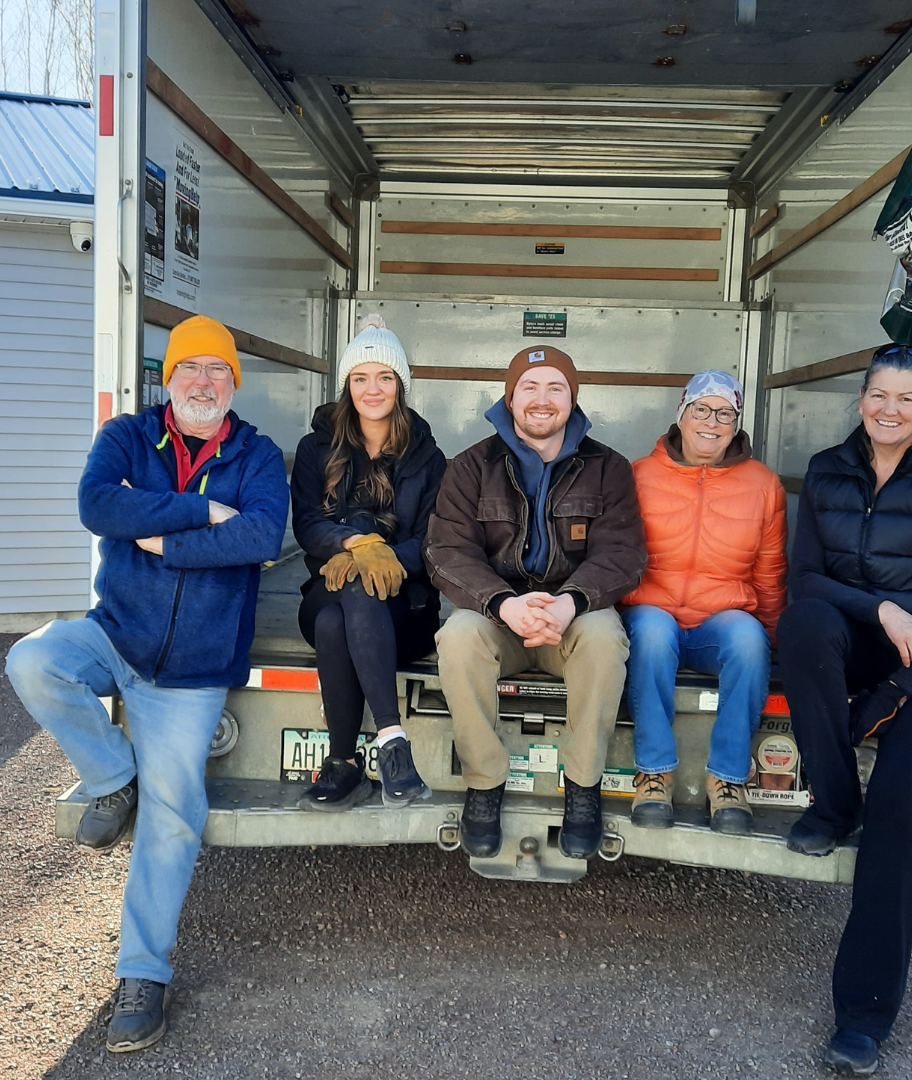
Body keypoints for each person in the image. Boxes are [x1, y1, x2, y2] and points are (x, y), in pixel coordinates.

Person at [5, 315, 289, 1052]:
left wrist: (155, 534)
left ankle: (141, 973)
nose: (202, 382)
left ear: (234, 383)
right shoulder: (127, 438)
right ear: (169, 378)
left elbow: (260, 536)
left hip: (195, 671)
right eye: (190, 369)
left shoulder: (258, 454)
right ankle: (112, 774)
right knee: (30, 660)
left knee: (176, 810)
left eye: (217, 372)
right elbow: (98, 506)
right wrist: (199, 512)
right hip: (115, 633)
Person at [776, 344, 912, 1076]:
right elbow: (806, 580)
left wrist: (890, 696)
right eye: (878, 396)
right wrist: (887, 610)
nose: (889, 410)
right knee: (801, 627)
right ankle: (834, 802)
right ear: (861, 399)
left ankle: (864, 1014)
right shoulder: (830, 470)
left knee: (898, 798)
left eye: (906, 399)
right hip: (868, 634)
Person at [424, 346, 646, 860]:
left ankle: (584, 787)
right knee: (456, 638)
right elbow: (445, 552)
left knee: (605, 637)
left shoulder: (607, 467)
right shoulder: (471, 465)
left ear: (573, 399)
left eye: (556, 388)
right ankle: (484, 783)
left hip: (572, 617)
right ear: (510, 395)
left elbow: (622, 553)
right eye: (530, 386)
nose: (542, 400)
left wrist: (569, 604)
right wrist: (504, 604)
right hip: (499, 616)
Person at [290, 314, 445, 809]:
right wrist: (357, 546)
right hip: (325, 593)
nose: (371, 389)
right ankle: (392, 742)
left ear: (400, 385)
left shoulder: (429, 458)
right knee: (341, 601)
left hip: (406, 613)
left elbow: (433, 541)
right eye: (360, 378)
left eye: (384, 377)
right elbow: (308, 526)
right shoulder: (316, 448)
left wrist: (387, 555)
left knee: (341, 619)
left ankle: (343, 765)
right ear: (346, 386)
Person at [620, 371, 787, 833]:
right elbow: (613, 556)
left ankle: (728, 781)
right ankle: (654, 774)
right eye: (701, 409)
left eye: (724, 413)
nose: (711, 422)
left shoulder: (764, 485)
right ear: (682, 414)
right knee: (652, 634)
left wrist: (772, 641)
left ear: (736, 422)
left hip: (719, 620)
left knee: (749, 641)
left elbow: (769, 572)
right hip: (652, 612)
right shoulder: (639, 475)